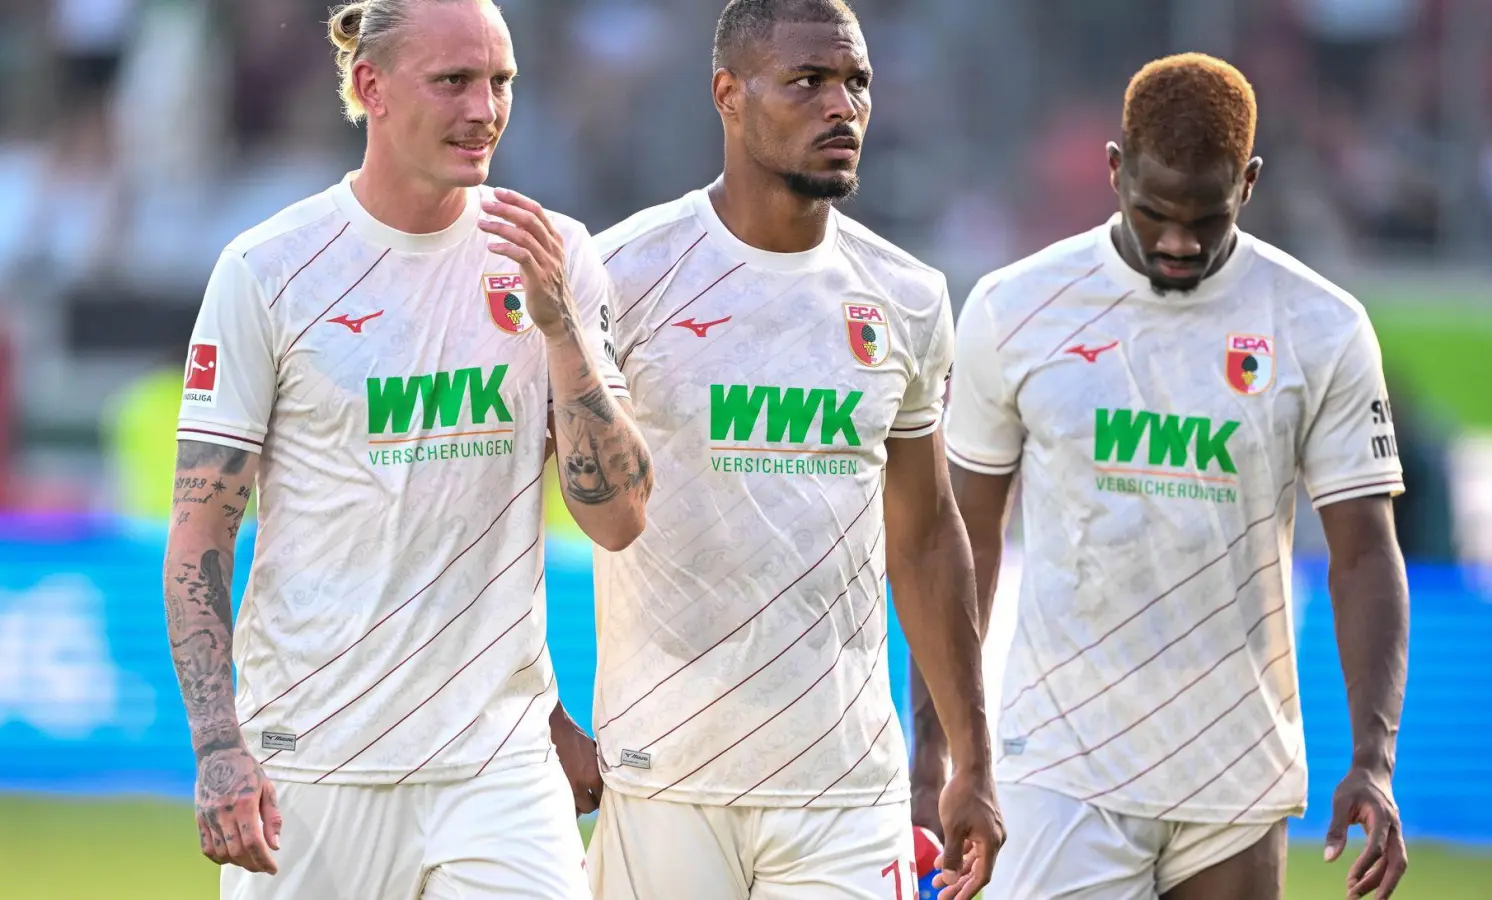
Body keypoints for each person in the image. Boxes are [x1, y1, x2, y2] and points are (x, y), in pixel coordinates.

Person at [162, 1, 652, 897]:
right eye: (454, 80)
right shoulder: (268, 270)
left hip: (497, 767)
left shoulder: (556, 257)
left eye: (501, 81)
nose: (485, 109)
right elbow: (200, 536)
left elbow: (619, 517)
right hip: (312, 764)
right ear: (369, 88)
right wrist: (220, 746)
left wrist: (561, 333)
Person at [924, 53, 1411, 900]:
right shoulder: (1015, 309)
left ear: (1249, 184)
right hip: (1060, 770)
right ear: (1115, 171)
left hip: (1237, 771)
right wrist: (942, 750)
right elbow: (963, 547)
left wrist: (1374, 760)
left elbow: (1365, 555)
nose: (1180, 241)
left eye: (1207, 218)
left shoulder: (1322, 326)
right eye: (1155, 213)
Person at [585, 1, 1004, 898]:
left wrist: (972, 757)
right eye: (808, 82)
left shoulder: (909, 296)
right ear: (727, 95)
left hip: (845, 791)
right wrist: (544, 716)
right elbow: (515, 501)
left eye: (857, 83)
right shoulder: (623, 273)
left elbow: (927, 537)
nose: (842, 107)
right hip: (665, 774)